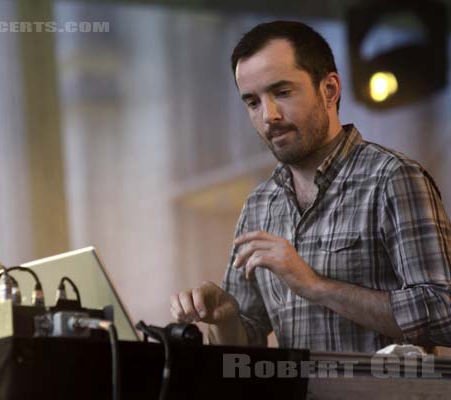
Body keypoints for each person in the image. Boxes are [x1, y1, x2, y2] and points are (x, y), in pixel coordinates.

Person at [170, 21, 451, 352]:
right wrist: (226, 318)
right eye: (252, 102)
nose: (268, 115)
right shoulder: (260, 204)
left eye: (282, 92)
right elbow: (245, 346)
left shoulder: (393, 178)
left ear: (329, 90)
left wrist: (314, 285)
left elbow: (444, 314)